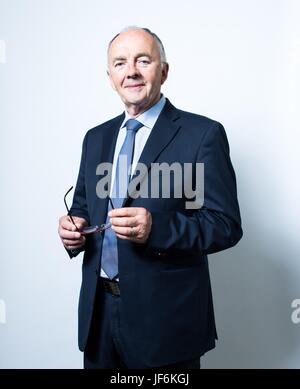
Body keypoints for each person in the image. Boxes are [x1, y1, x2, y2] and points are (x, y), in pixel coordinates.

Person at [58, 26, 243, 369]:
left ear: (164, 71)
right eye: (120, 63)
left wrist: (155, 227)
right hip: (98, 317)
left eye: (143, 60)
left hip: (166, 322)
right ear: (110, 76)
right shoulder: (95, 138)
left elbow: (225, 225)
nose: (131, 71)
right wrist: (73, 230)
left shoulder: (203, 134)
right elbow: (84, 206)